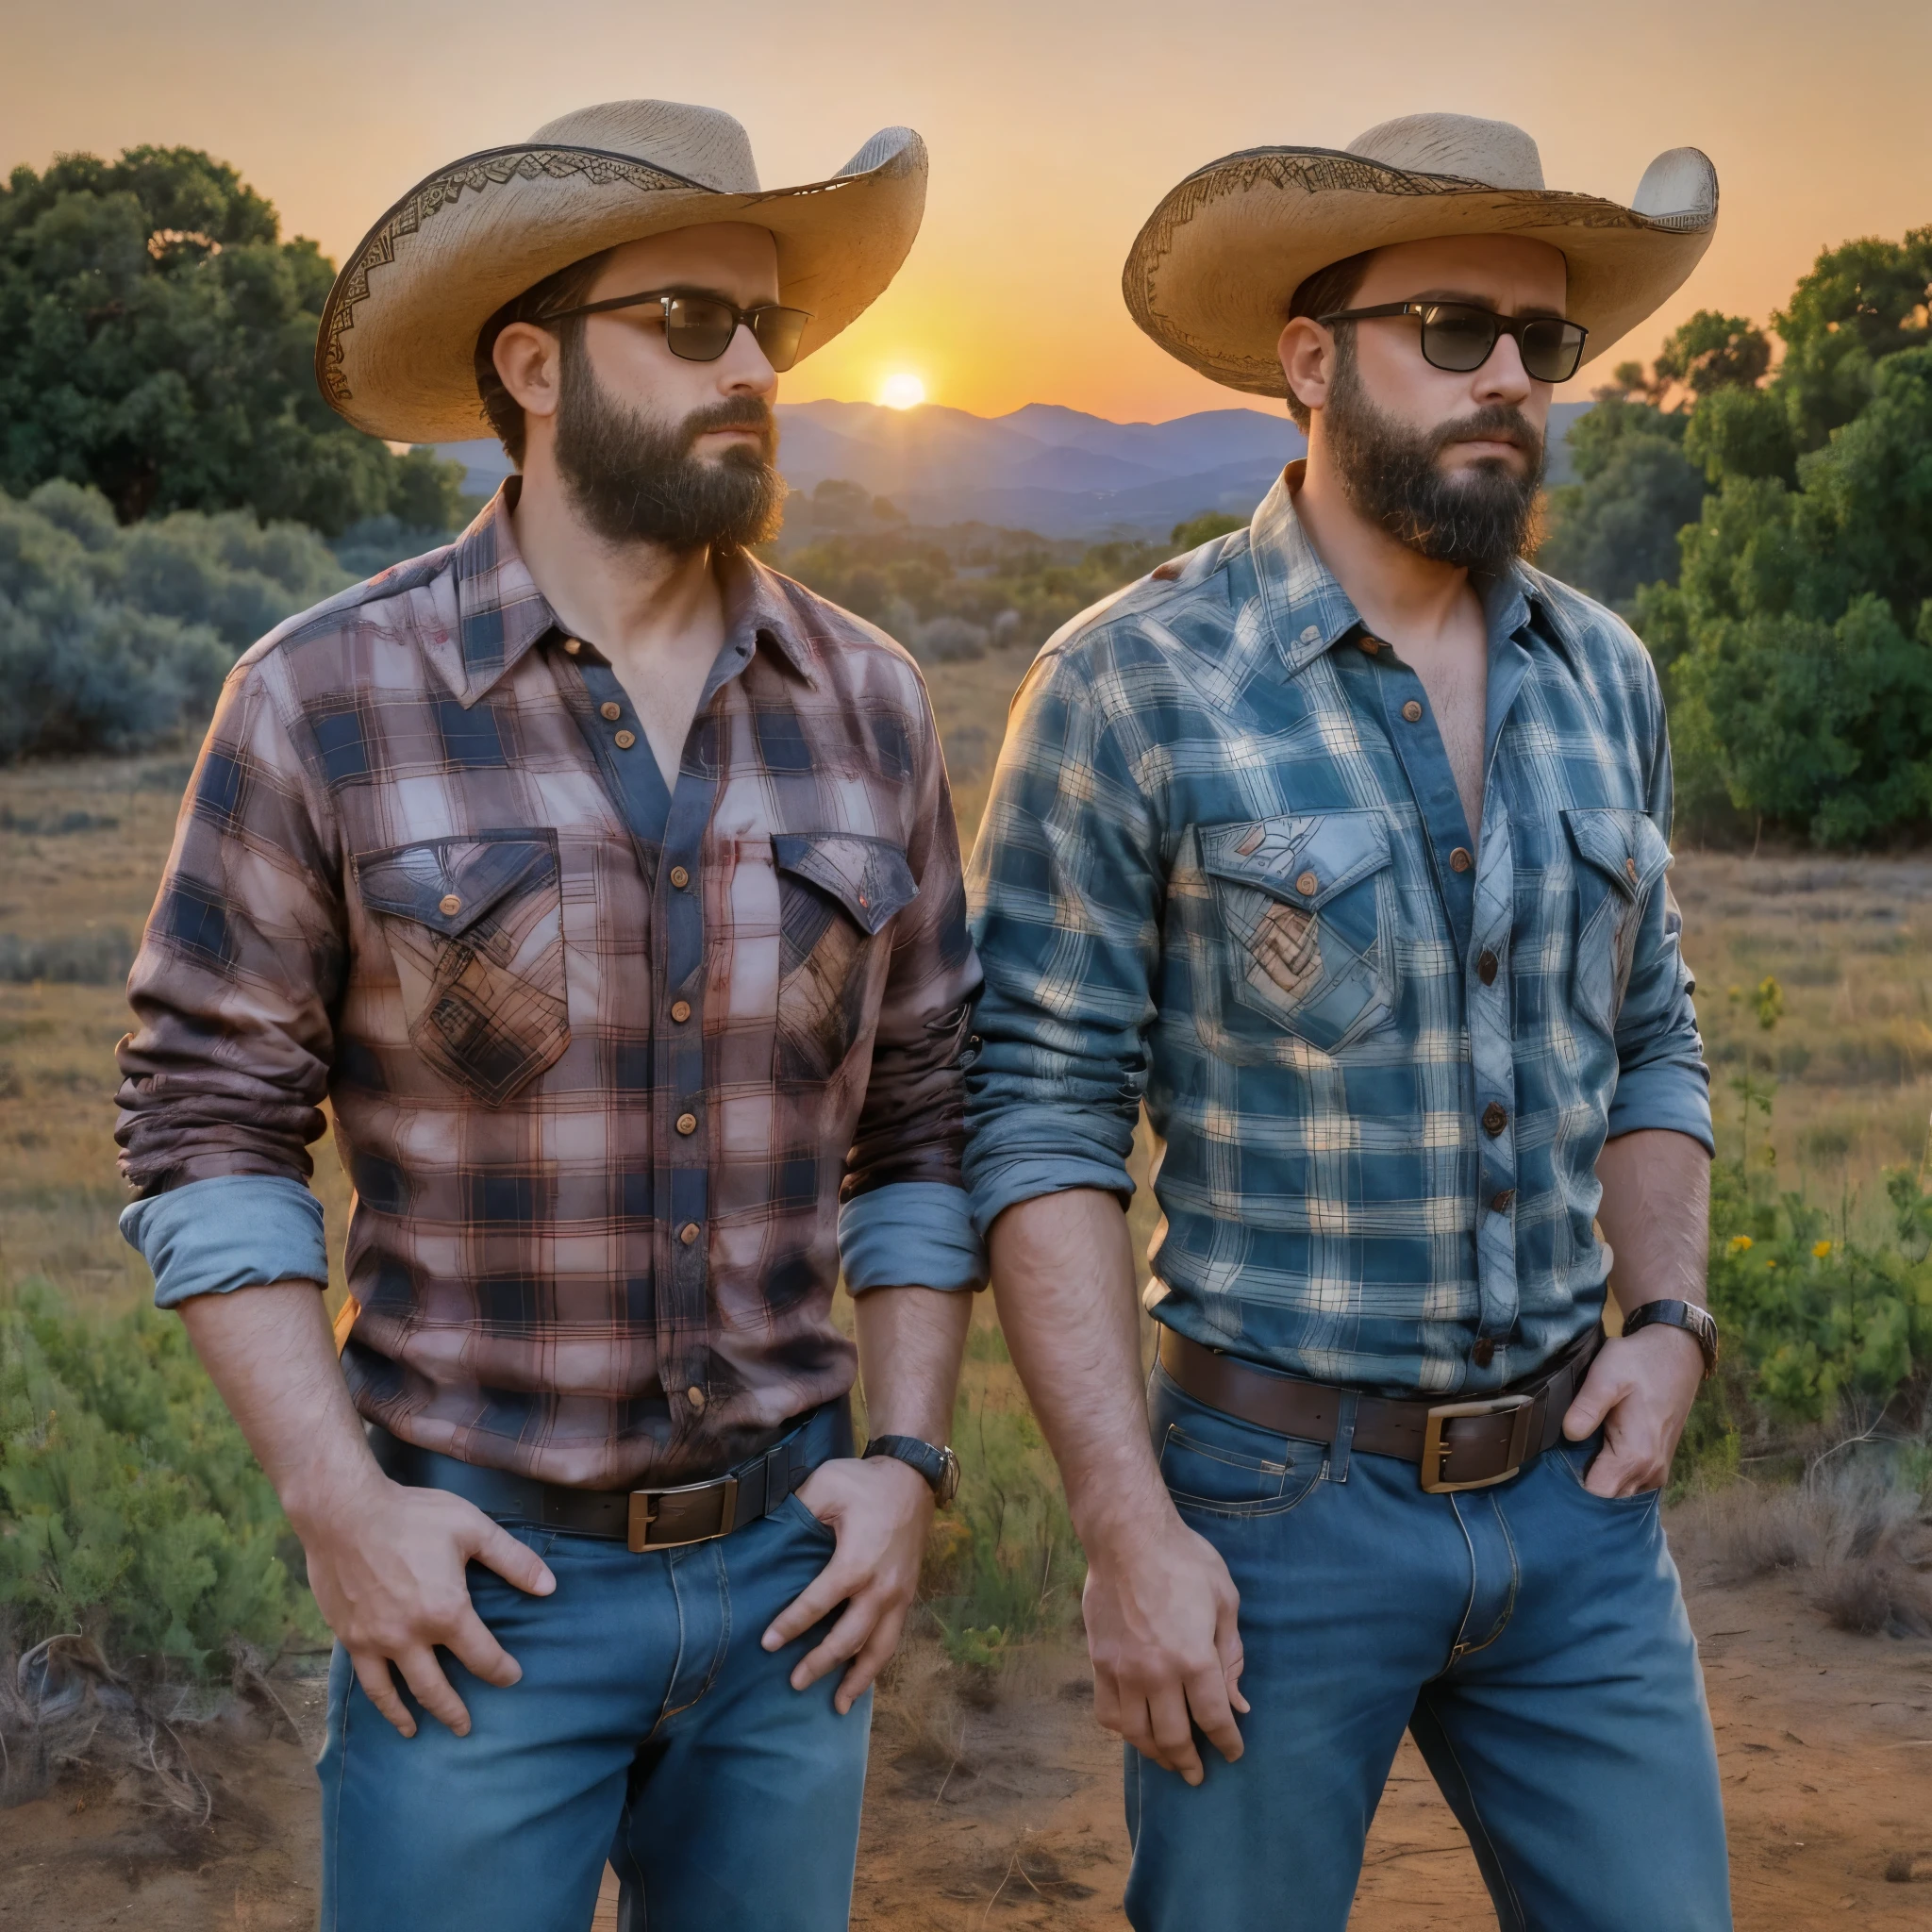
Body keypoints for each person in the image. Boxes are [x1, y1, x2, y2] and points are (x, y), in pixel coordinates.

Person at [115, 99, 978, 1932]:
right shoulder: (325, 700)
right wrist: (341, 1507)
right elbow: (204, 1125)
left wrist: (904, 1462)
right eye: (691, 323)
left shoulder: (870, 708)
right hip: (472, 1597)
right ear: (530, 361)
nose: (752, 367)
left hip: (788, 1600)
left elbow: (923, 1122)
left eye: (770, 331)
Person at [964, 113, 1732, 1930]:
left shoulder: (1602, 673)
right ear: (1309, 362)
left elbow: (1655, 1037)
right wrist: (1126, 1527)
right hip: (1266, 1508)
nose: (1508, 380)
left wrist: (1675, 1320)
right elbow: (1038, 1117)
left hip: (1576, 1500)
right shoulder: (1132, 684)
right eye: (1451, 329)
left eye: (1541, 343)